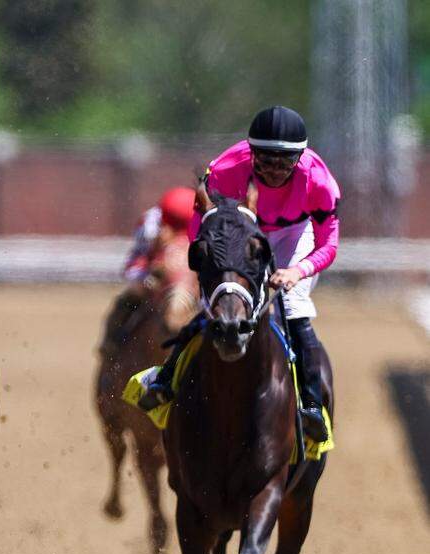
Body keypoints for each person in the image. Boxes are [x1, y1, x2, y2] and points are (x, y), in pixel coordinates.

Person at [137, 106, 337, 442]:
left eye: (284, 162)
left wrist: (296, 271)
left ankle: (313, 405)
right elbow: (201, 221)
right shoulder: (227, 170)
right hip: (239, 227)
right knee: (217, 303)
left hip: (294, 234)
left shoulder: (319, 181)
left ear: (300, 157)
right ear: (251, 153)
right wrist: (207, 258)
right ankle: (166, 379)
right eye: (265, 161)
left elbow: (328, 244)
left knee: (293, 306)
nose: (274, 171)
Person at [100, 187, 196, 355]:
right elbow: (139, 258)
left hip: (189, 281)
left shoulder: (206, 222)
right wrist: (148, 276)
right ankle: (111, 342)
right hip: (151, 274)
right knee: (132, 294)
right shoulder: (150, 225)